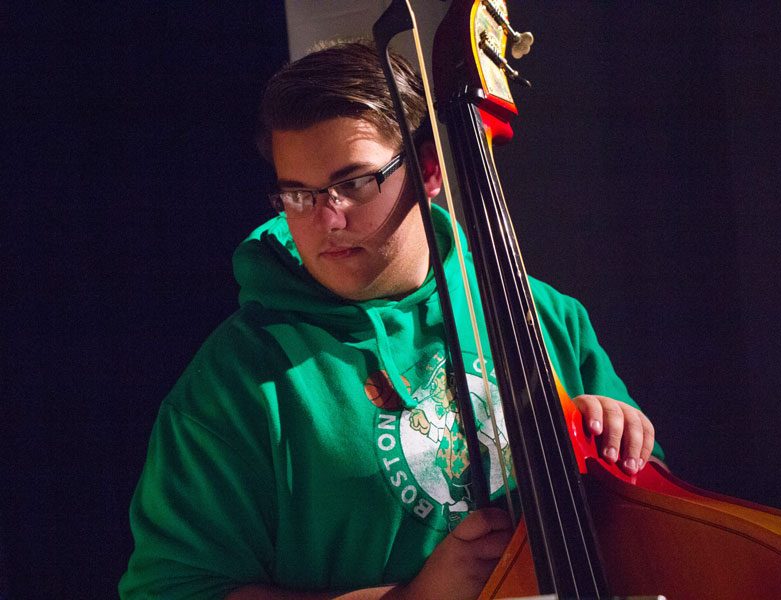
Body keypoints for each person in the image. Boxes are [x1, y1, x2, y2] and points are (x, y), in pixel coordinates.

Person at [120, 40, 662, 600]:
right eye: (299, 195)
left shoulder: (542, 315)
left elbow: (654, 531)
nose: (328, 218)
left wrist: (619, 449)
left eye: (353, 183)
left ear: (427, 170)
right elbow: (176, 590)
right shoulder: (235, 382)